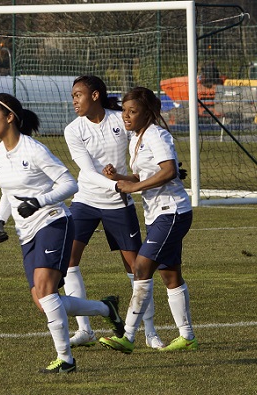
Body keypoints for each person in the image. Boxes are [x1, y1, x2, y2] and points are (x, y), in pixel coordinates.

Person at [0, 93, 125, 374]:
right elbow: (7, 192)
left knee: (47, 290)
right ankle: (105, 309)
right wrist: (0, 220)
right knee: (44, 301)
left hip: (53, 222)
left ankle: (66, 360)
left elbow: (69, 184)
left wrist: (39, 201)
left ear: (9, 117)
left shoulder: (33, 149)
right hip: (26, 234)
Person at [63, 76, 164, 349]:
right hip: (85, 200)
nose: (73, 101)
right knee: (68, 262)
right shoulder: (73, 130)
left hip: (119, 204)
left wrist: (162, 168)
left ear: (95, 95)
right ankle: (84, 330)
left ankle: (150, 332)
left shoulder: (121, 119)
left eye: (78, 95)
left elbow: (147, 146)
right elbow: (87, 172)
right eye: (72, 96)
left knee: (138, 269)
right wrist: (118, 183)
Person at [99, 87, 197, 353]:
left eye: (133, 111)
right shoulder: (136, 139)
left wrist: (133, 188)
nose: (126, 116)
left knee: (141, 267)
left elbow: (169, 170)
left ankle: (128, 336)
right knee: (170, 274)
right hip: (157, 214)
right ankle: (187, 337)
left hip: (172, 212)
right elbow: (142, 177)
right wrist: (119, 177)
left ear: (148, 113)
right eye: (125, 111)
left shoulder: (157, 134)